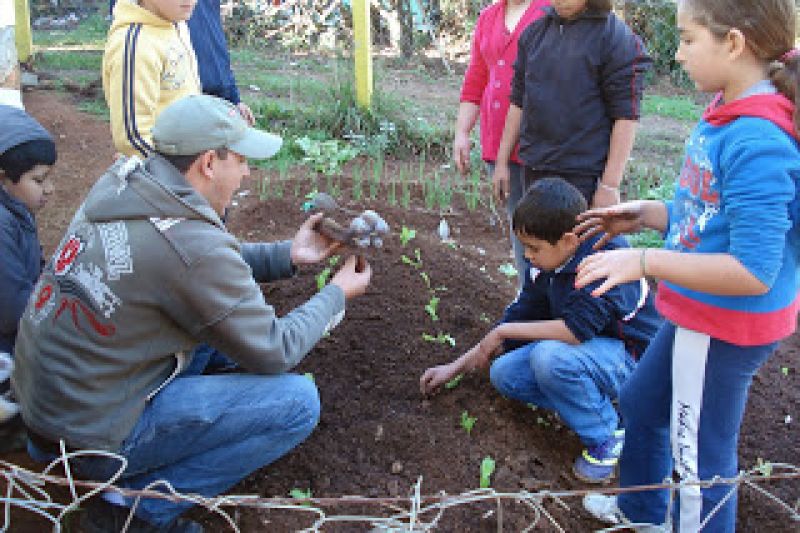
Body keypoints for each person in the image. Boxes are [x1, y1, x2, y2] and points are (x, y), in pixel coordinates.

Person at [12, 94, 372, 532]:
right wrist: (336, 294)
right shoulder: (189, 246)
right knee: (296, 403)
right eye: (240, 160)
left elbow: (192, 263)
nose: (246, 172)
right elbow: (275, 350)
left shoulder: (127, 184)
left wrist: (288, 255)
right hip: (92, 439)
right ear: (207, 163)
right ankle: (135, 513)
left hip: (49, 408)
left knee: (214, 338)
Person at [575, 0, 800, 529]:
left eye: (688, 38)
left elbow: (752, 269)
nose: (676, 54)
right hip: (699, 306)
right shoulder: (731, 110)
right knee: (642, 402)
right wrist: (649, 215)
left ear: (734, 43)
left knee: (698, 457)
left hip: (722, 320)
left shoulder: (758, 138)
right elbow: (714, 215)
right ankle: (642, 513)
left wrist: (646, 262)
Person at [420, 177, 661, 484]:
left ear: (569, 242)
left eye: (534, 248)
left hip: (634, 363)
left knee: (550, 358)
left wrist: (501, 333)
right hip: (593, 356)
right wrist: (453, 369)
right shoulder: (548, 266)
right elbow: (517, 321)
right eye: (525, 247)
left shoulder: (603, 263)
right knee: (505, 374)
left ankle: (608, 435)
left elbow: (575, 331)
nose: (528, 256)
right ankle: (592, 406)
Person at [493, 0, 652, 212]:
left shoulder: (616, 39)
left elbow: (626, 116)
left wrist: (609, 186)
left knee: (577, 244)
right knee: (536, 242)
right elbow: (518, 101)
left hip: (583, 177)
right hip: (534, 168)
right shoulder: (534, 34)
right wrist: (502, 162)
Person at [454, 0, 549, 285]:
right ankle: (528, 295)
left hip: (540, 143)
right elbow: (476, 78)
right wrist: (462, 131)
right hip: (497, 144)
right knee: (520, 226)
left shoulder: (550, 11)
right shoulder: (488, 17)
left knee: (545, 228)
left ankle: (546, 304)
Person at [0, 105, 57, 453]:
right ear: (3, 177)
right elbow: (11, 309)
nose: (49, 189)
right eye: (39, 180)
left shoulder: (16, 211)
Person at [108, 0, 255, 124]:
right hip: (166, 122)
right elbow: (136, 125)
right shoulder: (139, 40)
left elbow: (213, 37)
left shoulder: (179, 26)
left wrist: (232, 98)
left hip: (206, 100)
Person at [103, 0, 201, 157]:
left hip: (186, 159)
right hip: (163, 172)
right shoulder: (136, 44)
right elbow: (133, 138)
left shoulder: (176, 25)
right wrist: (173, 175)